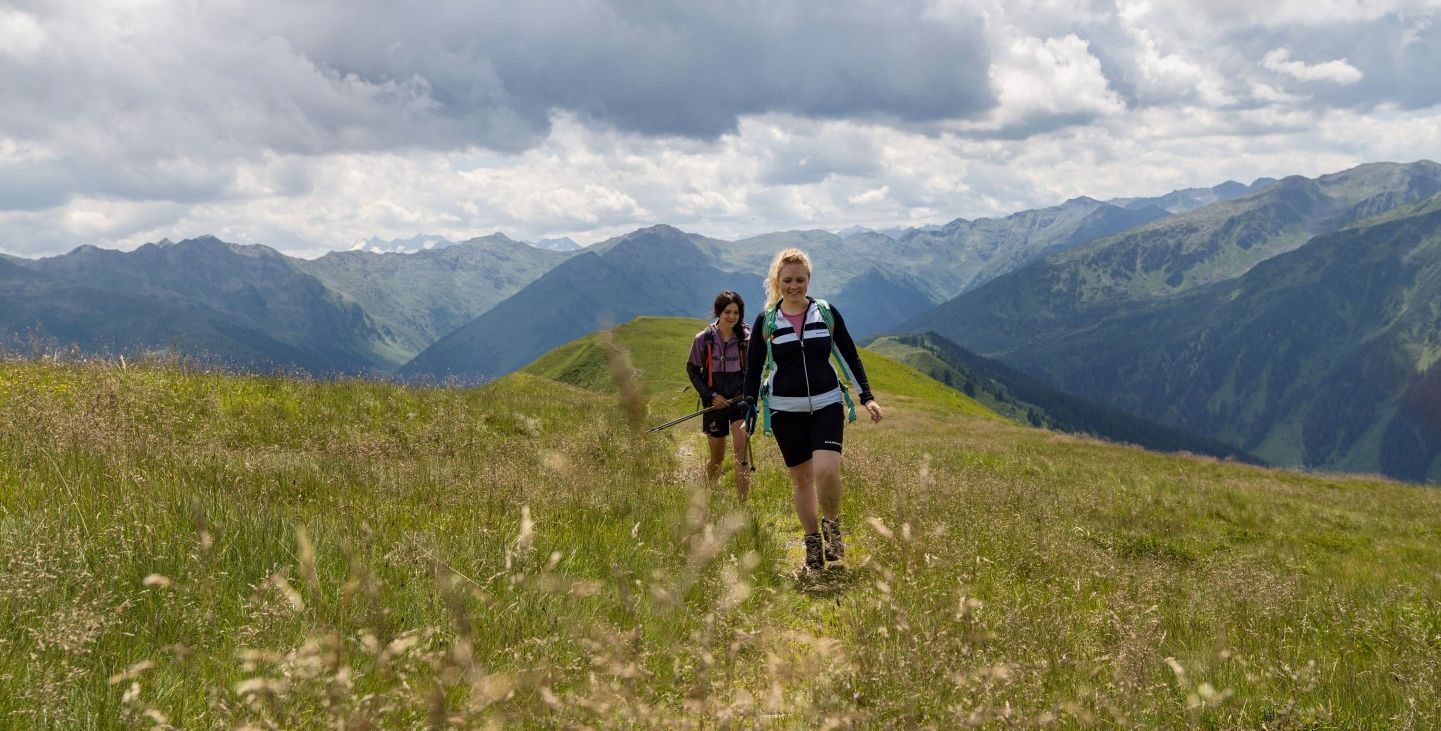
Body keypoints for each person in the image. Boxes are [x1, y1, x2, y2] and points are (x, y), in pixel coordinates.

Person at [742, 249, 883, 572]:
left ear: (809, 279)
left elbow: (849, 355)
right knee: (802, 479)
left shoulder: (825, 312)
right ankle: (813, 543)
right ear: (777, 281)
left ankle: (832, 527)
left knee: (827, 471)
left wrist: (867, 397)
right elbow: (754, 369)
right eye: (788, 280)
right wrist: (749, 406)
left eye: (800, 280)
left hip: (827, 404)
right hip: (784, 410)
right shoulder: (767, 320)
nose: (794, 286)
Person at [686, 291, 753, 502]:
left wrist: (748, 394)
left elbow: (754, 369)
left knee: (741, 455)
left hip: (739, 403)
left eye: (736, 313)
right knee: (717, 459)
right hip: (714, 405)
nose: (732, 317)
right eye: (727, 312)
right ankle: (711, 497)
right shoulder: (703, 339)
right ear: (718, 312)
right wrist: (711, 396)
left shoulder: (747, 339)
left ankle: (742, 505)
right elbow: (692, 369)